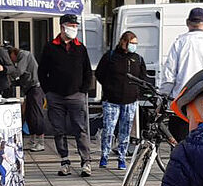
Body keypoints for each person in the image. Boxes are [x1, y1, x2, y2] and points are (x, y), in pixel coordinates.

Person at [37, 13, 95, 177]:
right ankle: (65, 161)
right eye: (72, 26)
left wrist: (83, 90)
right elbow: (42, 71)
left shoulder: (80, 48)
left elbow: (87, 71)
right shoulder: (50, 47)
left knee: (80, 129)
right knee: (58, 130)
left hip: (76, 95)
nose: (74, 29)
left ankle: (86, 162)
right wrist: (48, 90)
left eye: (76, 26)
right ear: (63, 27)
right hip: (55, 95)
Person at [159, 7, 203, 142]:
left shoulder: (179, 43)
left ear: (187, 22)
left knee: (181, 142)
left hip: (183, 100)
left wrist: (163, 96)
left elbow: (169, 75)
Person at [94, 31, 147, 169]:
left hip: (130, 101)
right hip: (111, 100)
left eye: (136, 43)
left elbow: (142, 79)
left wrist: (137, 93)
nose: (134, 46)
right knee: (109, 129)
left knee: (125, 131)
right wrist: (109, 87)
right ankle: (104, 155)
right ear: (123, 42)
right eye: (131, 43)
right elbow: (99, 74)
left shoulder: (138, 59)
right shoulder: (110, 57)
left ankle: (121, 157)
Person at [9, 45, 47, 151]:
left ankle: (40, 142)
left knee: (36, 114)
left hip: (35, 87)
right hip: (30, 88)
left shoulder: (23, 55)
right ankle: (33, 140)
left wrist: (9, 74)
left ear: (13, 53)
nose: (12, 61)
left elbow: (19, 71)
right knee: (29, 115)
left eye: (11, 57)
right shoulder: (23, 57)